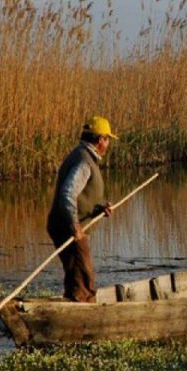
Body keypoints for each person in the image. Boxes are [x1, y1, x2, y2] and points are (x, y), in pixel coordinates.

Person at [46, 116, 117, 302]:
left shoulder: (82, 156)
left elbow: (80, 196)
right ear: (100, 139)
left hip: (65, 225)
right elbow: (67, 194)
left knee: (75, 275)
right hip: (67, 228)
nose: (108, 144)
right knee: (84, 275)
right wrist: (75, 225)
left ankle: (73, 304)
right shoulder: (85, 162)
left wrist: (99, 208)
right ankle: (84, 313)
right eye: (107, 139)